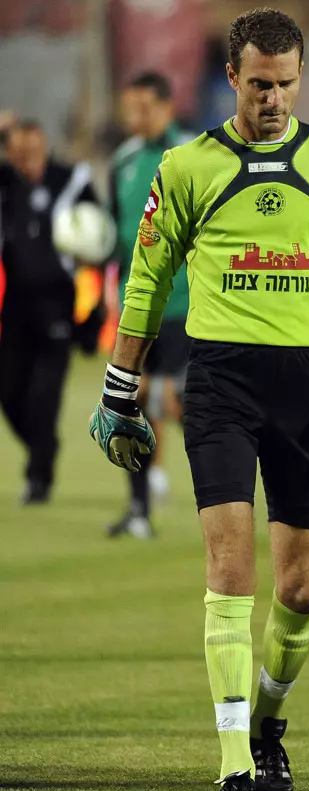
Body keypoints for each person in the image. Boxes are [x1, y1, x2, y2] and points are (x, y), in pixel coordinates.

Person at [88, 8, 309, 791]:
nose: (273, 99)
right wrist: (122, 383)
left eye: (286, 85)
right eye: (259, 84)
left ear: (301, 77)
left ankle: (266, 725)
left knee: (303, 588)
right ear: (231, 77)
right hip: (219, 379)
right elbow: (148, 278)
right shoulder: (186, 166)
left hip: (305, 385)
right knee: (230, 571)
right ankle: (232, 766)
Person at [107, 71, 194, 539]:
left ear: (166, 107)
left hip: (183, 306)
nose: (135, 117)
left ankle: (230, 489)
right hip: (134, 309)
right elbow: (114, 234)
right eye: (130, 108)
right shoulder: (120, 161)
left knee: (184, 404)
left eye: (144, 108)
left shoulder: (194, 155)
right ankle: (139, 511)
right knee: (129, 405)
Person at [0, 119, 101, 504]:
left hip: (57, 306)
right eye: (19, 151)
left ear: (45, 147)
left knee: (44, 398)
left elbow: (99, 242)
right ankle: (43, 448)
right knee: (8, 394)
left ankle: (39, 475)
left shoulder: (71, 182)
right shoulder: (7, 185)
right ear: (10, 152)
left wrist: (92, 315)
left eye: (34, 150)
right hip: (13, 309)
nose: (28, 158)